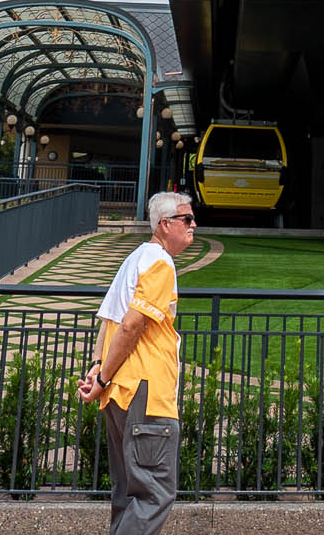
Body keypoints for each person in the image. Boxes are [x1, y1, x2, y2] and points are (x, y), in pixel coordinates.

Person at [80, 190, 194, 535]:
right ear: (164, 224)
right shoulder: (160, 263)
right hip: (146, 392)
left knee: (130, 494)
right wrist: (100, 378)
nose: (193, 225)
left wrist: (99, 368)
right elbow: (130, 325)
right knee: (154, 493)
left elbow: (108, 318)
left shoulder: (136, 258)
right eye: (186, 219)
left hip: (120, 394)